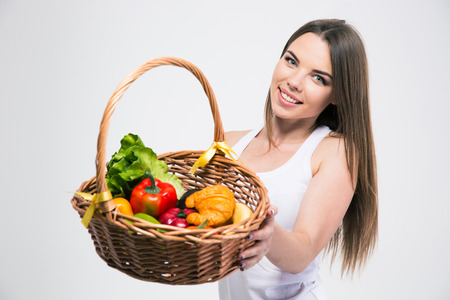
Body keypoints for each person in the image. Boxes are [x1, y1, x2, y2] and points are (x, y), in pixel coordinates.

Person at [218, 19, 378, 299]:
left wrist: (268, 236)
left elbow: (303, 250)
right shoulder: (228, 143)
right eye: (291, 61)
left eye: (318, 78)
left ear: (337, 95)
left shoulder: (335, 152)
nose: (294, 81)